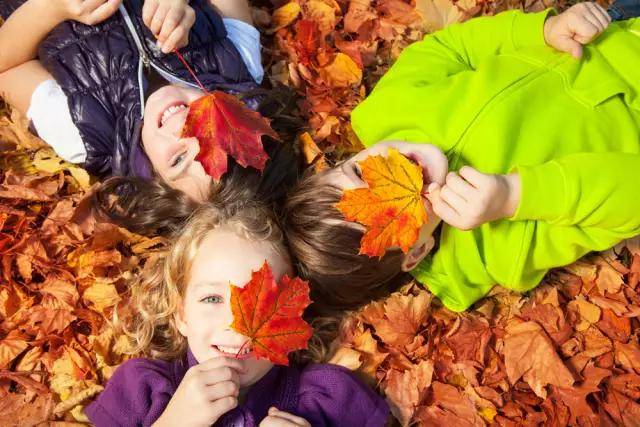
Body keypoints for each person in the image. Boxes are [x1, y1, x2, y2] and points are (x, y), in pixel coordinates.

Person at [281, 3, 640, 313]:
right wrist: (516, 195)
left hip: (607, 30)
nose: (394, 175)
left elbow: (453, 50)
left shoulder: (387, 109)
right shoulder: (500, 250)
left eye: (361, 170)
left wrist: (542, 31)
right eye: (391, 213)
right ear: (417, 253)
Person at [84, 197, 390, 426]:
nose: (236, 324)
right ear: (181, 315)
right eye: (213, 299)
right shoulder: (142, 392)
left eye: (263, 305)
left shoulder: (328, 398)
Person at [0, 0, 280, 202]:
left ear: (149, 176)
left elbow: (5, 67)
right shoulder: (235, 64)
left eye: (179, 159)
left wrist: (50, 8)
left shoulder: (85, 130)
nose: (183, 127)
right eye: (212, 133)